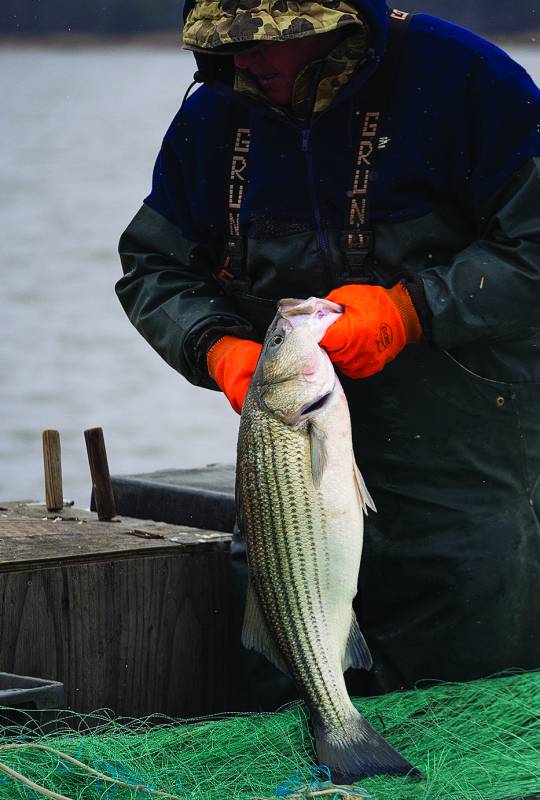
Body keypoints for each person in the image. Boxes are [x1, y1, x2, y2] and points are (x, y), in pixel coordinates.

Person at [116, 0, 540, 700]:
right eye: (224, 42)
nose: (242, 58)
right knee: (290, 685)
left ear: (337, 23)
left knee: (476, 691)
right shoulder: (214, 116)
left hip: (468, 465)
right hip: (289, 467)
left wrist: (412, 309)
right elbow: (152, 268)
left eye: (264, 40)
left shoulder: (466, 79)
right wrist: (216, 344)